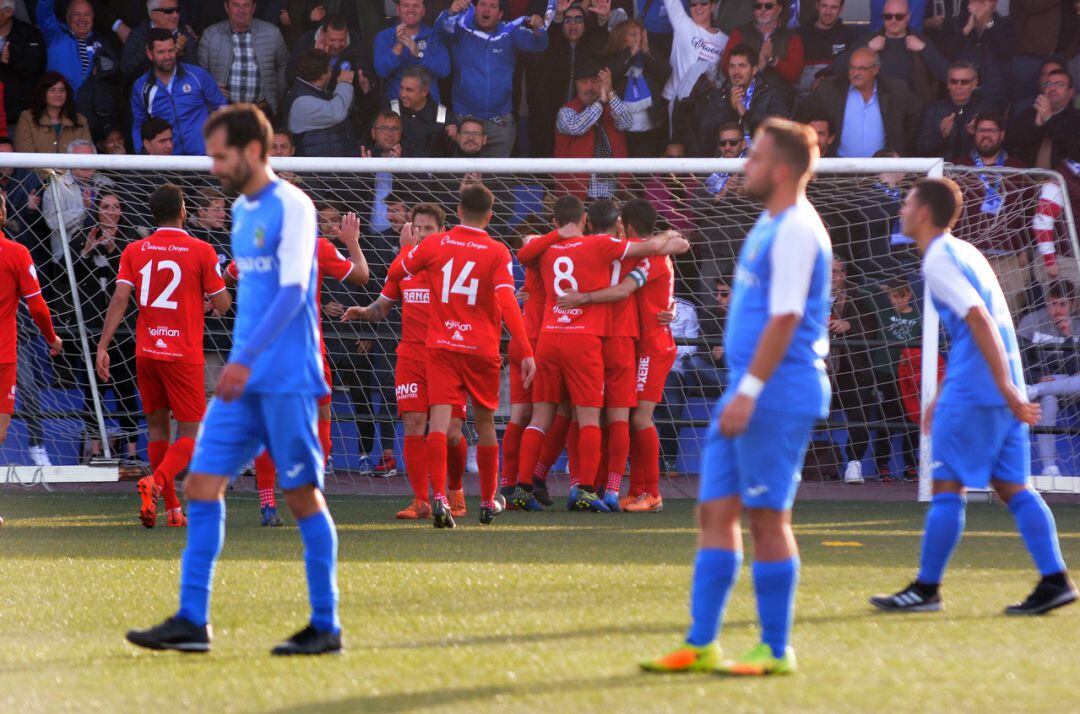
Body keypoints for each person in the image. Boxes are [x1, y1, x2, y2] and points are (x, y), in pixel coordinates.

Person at [125, 105, 344, 656]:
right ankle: (192, 621)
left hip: (286, 379)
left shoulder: (292, 205)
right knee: (201, 485)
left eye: (221, 155)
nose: (214, 165)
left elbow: (294, 293)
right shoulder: (242, 212)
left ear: (251, 151)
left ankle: (326, 626)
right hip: (242, 382)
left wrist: (244, 360)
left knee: (300, 496)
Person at [641, 118, 830, 676]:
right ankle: (702, 643)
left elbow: (787, 315)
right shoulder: (769, 223)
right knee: (714, 512)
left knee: (768, 518)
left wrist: (748, 389)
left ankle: (775, 649)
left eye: (754, 157)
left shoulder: (797, 227)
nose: (744, 165)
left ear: (783, 169)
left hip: (774, 391)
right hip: (747, 390)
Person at [870, 177, 1078, 617]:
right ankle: (1055, 579)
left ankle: (926, 589)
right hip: (999, 382)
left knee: (947, 487)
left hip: (980, 389)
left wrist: (998, 388)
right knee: (1013, 487)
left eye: (907, 203)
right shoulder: (966, 251)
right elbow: (977, 329)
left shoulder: (939, 259)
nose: (902, 210)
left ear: (924, 213)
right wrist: (999, 389)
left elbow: (980, 320)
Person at [512, 196, 685, 513]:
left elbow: (525, 249)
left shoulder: (564, 247)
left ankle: (529, 484)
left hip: (560, 335)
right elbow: (675, 243)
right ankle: (605, 488)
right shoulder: (619, 248)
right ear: (617, 224)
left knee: (562, 414)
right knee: (604, 416)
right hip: (611, 338)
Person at [387, 183, 536, 527]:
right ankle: (486, 502)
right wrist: (525, 349)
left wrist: (407, 252)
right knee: (484, 423)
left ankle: (438, 498)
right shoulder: (497, 251)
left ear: (456, 212)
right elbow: (507, 301)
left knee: (437, 424)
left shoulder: (437, 243)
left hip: (441, 347)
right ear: (489, 216)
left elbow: (397, 273)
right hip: (480, 348)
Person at [95, 184, 229, 528]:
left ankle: (170, 508)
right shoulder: (202, 249)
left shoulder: (135, 249)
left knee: (156, 429)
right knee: (189, 433)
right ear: (183, 211)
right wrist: (209, 295)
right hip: (182, 354)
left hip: (146, 352)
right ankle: (156, 482)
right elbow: (224, 304)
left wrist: (103, 345)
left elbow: (120, 300)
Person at [342, 204, 470, 520]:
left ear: (442, 231)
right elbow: (382, 307)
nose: (422, 233)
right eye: (418, 227)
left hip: (448, 354)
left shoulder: (451, 264)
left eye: (428, 228)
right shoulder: (403, 265)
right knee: (413, 423)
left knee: (452, 432)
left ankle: (454, 488)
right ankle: (421, 500)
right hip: (411, 356)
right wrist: (362, 311)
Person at [437, 0, 550, 157]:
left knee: (495, 180)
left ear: (500, 14)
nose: (487, 9)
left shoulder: (509, 31)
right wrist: (450, 12)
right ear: (475, 9)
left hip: (499, 123)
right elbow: (440, 31)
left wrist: (539, 29)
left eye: (492, 6)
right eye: (482, 4)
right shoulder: (461, 28)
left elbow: (539, 45)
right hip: (465, 120)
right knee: (462, 178)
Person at [75, 191, 140, 463]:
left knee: (126, 390)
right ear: (98, 211)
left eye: (116, 206)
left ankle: (133, 453)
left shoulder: (130, 245)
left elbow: (130, 287)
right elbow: (67, 279)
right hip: (92, 330)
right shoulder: (83, 240)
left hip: (124, 331)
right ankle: (95, 449)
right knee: (94, 392)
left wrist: (114, 251)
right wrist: (87, 252)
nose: (111, 211)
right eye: (106, 206)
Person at [0, 188, 62, 450]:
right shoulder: (16, 253)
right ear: (3, 213)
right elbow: (37, 306)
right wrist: (52, 338)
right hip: (3, 354)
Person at [951, 112, 1030, 317]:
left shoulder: (1018, 168)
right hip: (968, 256)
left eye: (992, 131)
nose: (986, 135)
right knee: (968, 320)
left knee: (1008, 319)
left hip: (1008, 257)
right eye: (982, 130)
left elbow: (1029, 212)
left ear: (1002, 135)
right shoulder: (958, 167)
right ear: (974, 134)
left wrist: (1026, 249)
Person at [801, 47, 920, 157]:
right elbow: (804, 114)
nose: (855, 73)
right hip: (838, 171)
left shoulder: (896, 90)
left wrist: (900, 145)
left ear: (875, 70)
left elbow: (915, 115)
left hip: (882, 170)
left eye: (861, 68)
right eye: (852, 67)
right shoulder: (830, 88)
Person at [1018, 281, 1080, 481]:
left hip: (1069, 388)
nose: (1057, 310)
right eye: (1053, 304)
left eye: (1062, 304)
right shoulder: (1030, 322)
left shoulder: (1077, 327)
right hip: (1037, 385)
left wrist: (1068, 336)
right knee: (1050, 398)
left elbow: (1075, 371)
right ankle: (1049, 468)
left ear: (1072, 305)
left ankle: (1038, 388)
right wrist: (1035, 377)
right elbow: (1017, 359)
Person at [131, 29, 228, 156]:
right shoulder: (141, 86)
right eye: (161, 52)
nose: (168, 56)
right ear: (150, 54)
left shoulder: (198, 75)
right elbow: (139, 124)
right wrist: (142, 151)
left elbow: (222, 109)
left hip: (204, 159)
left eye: (171, 50)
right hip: (167, 163)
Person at [197, 0, 290, 120]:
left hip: (261, 112)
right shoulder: (210, 34)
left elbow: (284, 64)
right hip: (222, 112)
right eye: (236, 5)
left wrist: (274, 93)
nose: (241, 10)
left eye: (246, 5)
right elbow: (198, 72)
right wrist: (210, 86)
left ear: (253, 8)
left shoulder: (272, 32)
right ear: (227, 7)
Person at [842, 0, 948, 104]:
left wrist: (924, 49)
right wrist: (868, 49)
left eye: (899, 17)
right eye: (888, 16)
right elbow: (838, 69)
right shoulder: (870, 40)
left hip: (913, 111)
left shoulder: (920, 41)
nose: (893, 21)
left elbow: (946, 74)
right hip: (876, 107)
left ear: (908, 17)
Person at [694, 43, 790, 157]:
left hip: (763, 159)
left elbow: (781, 127)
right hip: (724, 162)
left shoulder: (770, 93)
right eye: (732, 66)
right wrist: (730, 109)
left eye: (742, 66)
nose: (736, 72)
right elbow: (705, 131)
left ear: (754, 70)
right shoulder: (718, 95)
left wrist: (746, 114)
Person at [554, 61, 633, 198]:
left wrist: (610, 92)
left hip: (614, 194)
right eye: (583, 82)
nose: (589, 87)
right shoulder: (566, 111)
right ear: (576, 85)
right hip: (576, 197)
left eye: (595, 81)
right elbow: (576, 127)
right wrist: (601, 102)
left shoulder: (613, 107)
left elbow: (627, 122)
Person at [871, 275, 922, 481]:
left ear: (909, 295)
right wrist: (881, 286)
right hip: (885, 372)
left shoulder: (918, 318)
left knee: (911, 419)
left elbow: (923, 346)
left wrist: (911, 359)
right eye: (893, 296)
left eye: (901, 296)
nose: (897, 301)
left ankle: (911, 465)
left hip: (908, 376)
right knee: (886, 420)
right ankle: (882, 465)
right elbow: (865, 291)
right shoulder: (885, 313)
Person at [602, 18, 671, 158]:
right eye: (633, 34)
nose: (637, 38)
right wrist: (630, 54)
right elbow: (611, 72)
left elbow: (665, 71)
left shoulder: (648, 55)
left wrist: (646, 50)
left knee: (646, 173)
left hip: (650, 127)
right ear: (621, 38)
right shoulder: (614, 57)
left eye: (640, 34)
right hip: (622, 129)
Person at [720, 0, 805, 102]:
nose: (763, 10)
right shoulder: (740, 33)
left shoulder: (792, 37)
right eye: (758, 6)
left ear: (779, 9)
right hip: (742, 94)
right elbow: (725, 67)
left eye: (768, 6)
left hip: (777, 98)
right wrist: (754, 69)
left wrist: (772, 60)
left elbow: (794, 74)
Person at [284, 48, 358, 157]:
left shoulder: (311, 92)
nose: (331, 72)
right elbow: (337, 113)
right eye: (330, 69)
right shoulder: (301, 101)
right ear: (324, 74)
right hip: (314, 170)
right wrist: (344, 83)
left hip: (328, 167)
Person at [374, 0, 451, 103]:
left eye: (416, 6)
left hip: (430, 107)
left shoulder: (433, 36)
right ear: (398, 10)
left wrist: (419, 54)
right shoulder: (384, 36)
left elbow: (444, 70)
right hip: (398, 107)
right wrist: (398, 47)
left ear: (423, 11)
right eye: (406, 5)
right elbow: (381, 71)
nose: (411, 10)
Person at [916, 61, 994, 159]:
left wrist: (975, 135)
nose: (959, 86)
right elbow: (921, 150)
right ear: (948, 84)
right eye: (953, 82)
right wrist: (941, 135)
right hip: (941, 171)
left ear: (974, 84)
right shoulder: (932, 110)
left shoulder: (986, 110)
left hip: (975, 170)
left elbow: (993, 151)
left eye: (964, 82)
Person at [946, 0, 1014, 112]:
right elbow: (950, 54)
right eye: (980, 1)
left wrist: (988, 23)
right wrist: (967, 29)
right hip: (962, 92)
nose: (985, 5)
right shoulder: (957, 23)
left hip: (995, 94)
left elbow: (1006, 51)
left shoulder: (1005, 24)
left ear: (995, 3)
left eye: (989, 1)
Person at [1007, 69, 1080, 170]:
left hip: (1065, 182)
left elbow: (1075, 148)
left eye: (1059, 84)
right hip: (1026, 181)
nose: (1053, 88)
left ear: (1070, 92)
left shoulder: (1076, 118)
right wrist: (1036, 126)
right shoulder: (1029, 114)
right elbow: (1011, 144)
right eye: (1048, 84)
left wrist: (1049, 119)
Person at [661, 0, 727, 109]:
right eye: (693, 4)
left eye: (703, 3)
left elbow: (722, 77)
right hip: (673, 98)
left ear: (713, 6)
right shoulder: (683, 23)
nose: (698, 8)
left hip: (702, 103)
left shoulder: (725, 41)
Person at [14, 72, 92, 155]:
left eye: (62, 90)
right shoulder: (27, 118)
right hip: (37, 168)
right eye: (52, 90)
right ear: (43, 93)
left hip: (73, 168)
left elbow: (86, 155)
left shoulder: (80, 120)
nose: (58, 94)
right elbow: (26, 156)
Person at [120, 0, 198, 80]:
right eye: (169, 11)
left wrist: (179, 54)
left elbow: (193, 75)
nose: (176, 15)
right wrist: (150, 49)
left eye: (177, 10)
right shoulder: (139, 33)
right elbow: (127, 70)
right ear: (154, 15)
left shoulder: (184, 35)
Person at [389, 66, 456, 158]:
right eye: (401, 88)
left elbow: (452, 152)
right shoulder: (391, 109)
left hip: (432, 171)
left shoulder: (443, 115)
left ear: (424, 91)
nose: (403, 94)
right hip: (398, 170)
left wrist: (453, 138)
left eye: (409, 90)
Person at [796, 0, 857, 98]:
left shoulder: (850, 35)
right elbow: (791, 76)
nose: (828, 12)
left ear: (841, 10)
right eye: (824, 6)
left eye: (834, 7)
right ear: (817, 6)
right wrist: (811, 84)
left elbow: (855, 73)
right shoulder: (799, 34)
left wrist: (827, 83)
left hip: (838, 96)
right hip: (805, 97)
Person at [0, 0, 46, 122]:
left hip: (19, 117)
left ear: (8, 12)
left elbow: (33, 68)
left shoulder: (29, 34)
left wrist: (10, 60)